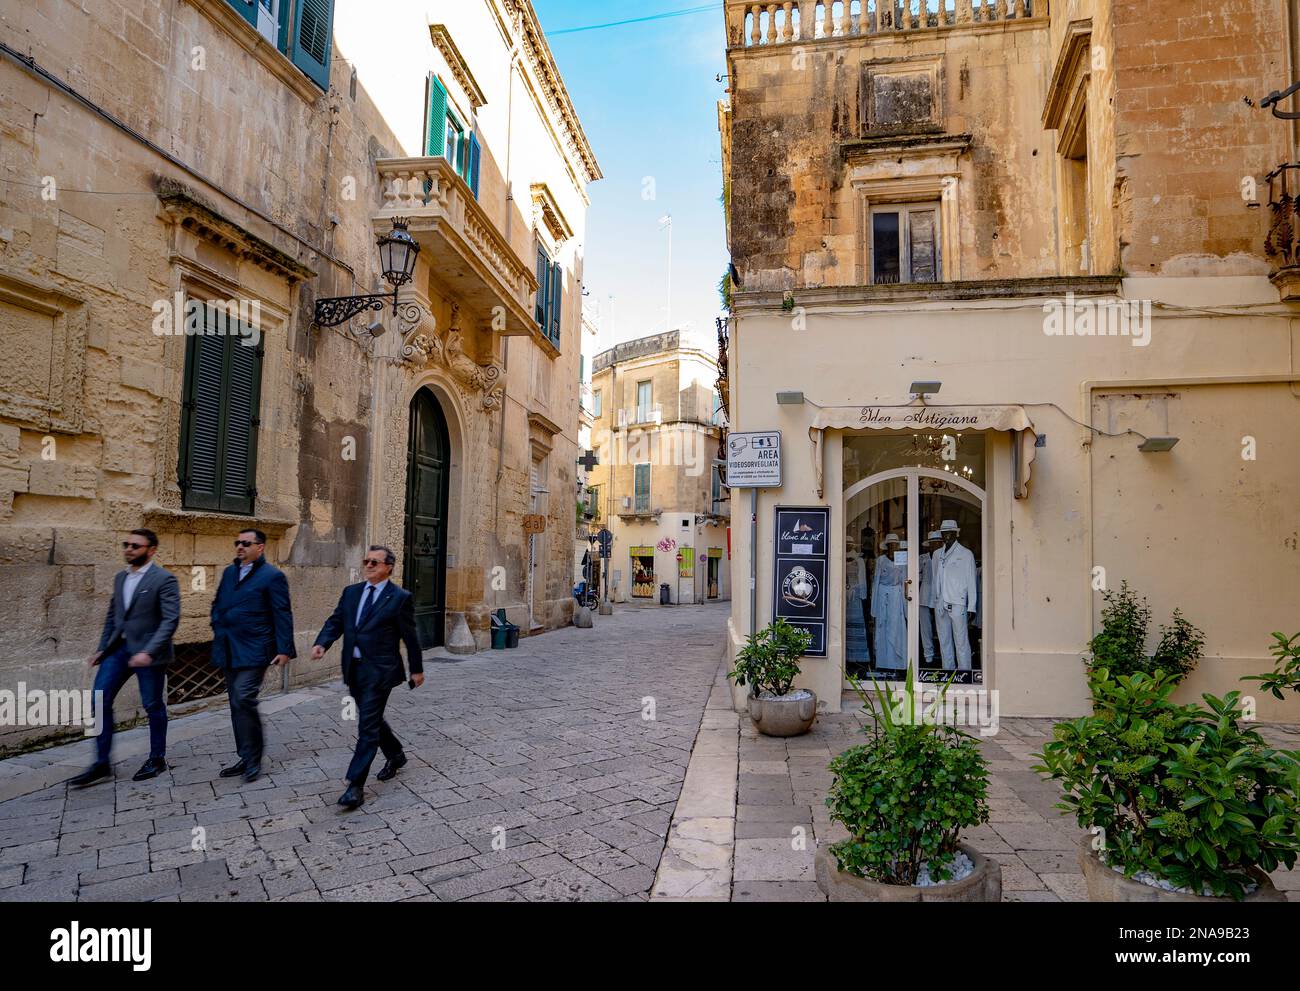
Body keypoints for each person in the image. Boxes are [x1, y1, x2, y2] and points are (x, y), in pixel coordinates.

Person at [312, 546, 424, 810]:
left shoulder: (399, 598)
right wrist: (322, 643)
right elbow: (336, 621)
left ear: (389, 568)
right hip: (354, 668)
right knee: (372, 719)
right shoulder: (351, 593)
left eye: (376, 562)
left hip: (381, 671)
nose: (369, 565)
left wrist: (416, 669)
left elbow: (411, 637)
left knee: (367, 726)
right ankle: (396, 755)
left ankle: (355, 785)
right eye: (367, 561)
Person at [70, 529, 180, 787]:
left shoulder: (164, 579)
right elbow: (113, 616)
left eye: (136, 546)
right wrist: (102, 648)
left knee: (152, 705)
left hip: (150, 653)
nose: (129, 549)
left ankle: (157, 758)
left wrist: (148, 651)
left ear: (151, 550)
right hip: (119, 650)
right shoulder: (121, 578)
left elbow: (170, 620)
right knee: (99, 699)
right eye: (126, 544)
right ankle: (102, 764)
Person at [210, 529, 296, 783]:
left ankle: (254, 758)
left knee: (244, 697)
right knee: (236, 702)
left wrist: (284, 649)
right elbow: (218, 603)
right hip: (228, 647)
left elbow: (282, 613)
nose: (240, 546)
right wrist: (217, 623)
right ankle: (245, 755)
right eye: (237, 542)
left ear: (260, 547)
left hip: (256, 648)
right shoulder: (229, 572)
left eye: (246, 543)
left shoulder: (273, 576)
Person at [933, 520, 979, 671]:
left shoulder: (965, 554)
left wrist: (971, 606)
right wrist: (935, 600)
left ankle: (964, 672)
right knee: (944, 641)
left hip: (958, 603)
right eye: (943, 532)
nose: (946, 535)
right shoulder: (937, 554)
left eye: (949, 532)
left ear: (955, 533)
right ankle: (948, 672)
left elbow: (972, 581)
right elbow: (935, 579)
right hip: (940, 603)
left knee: (961, 641)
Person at [871, 534, 907, 671]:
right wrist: (874, 606)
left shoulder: (902, 559)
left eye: (894, 544)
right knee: (883, 626)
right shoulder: (881, 560)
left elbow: (905, 580)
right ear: (887, 546)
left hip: (897, 596)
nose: (892, 547)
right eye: (890, 544)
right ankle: (883, 662)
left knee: (896, 626)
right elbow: (876, 581)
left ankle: (898, 662)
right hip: (882, 596)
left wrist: (906, 606)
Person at [918, 531, 943, 666]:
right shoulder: (923, 558)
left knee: (941, 624)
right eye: (932, 543)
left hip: (940, 593)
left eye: (937, 543)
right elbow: (916, 576)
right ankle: (928, 654)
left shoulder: (944, 556)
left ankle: (943, 652)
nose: (934, 546)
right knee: (925, 626)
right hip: (925, 594)